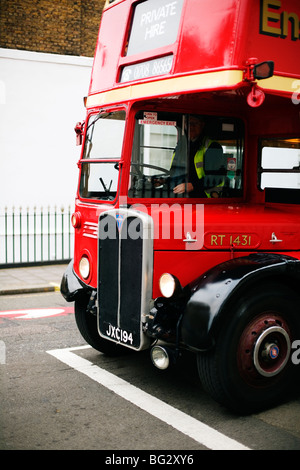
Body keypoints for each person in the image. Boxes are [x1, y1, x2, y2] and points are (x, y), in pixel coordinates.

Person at [171, 115, 224, 198]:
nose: (191, 126)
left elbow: (217, 177)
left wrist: (192, 185)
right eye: (188, 123)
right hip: (180, 197)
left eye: (195, 123)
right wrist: (164, 180)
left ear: (202, 125)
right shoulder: (181, 146)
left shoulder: (212, 147)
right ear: (184, 125)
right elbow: (176, 173)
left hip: (203, 198)